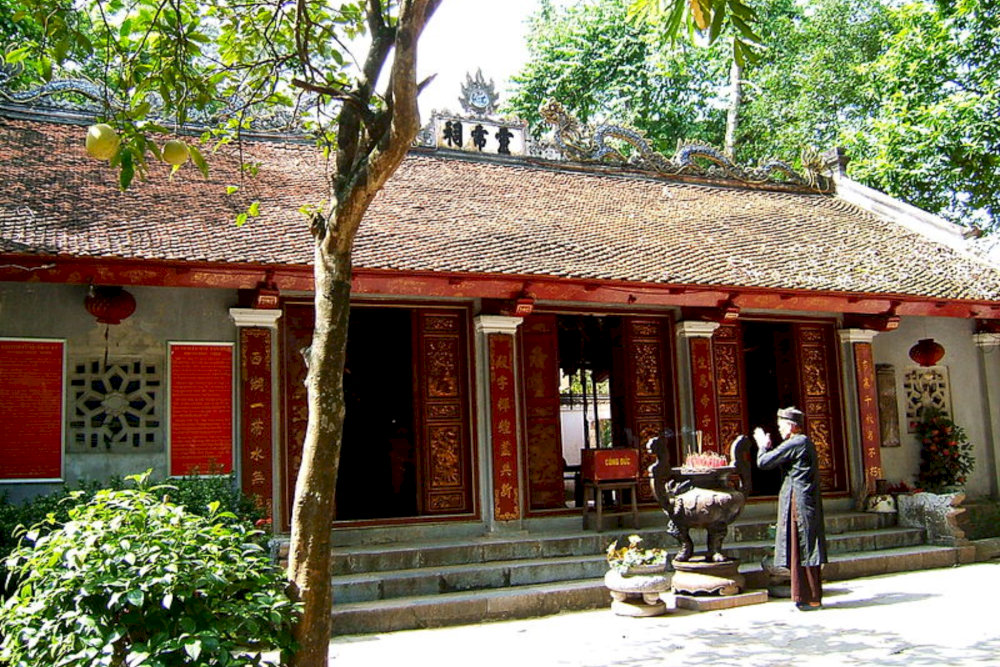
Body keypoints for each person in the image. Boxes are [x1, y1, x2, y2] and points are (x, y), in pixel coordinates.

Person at [754, 407, 827, 610]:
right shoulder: (803, 442)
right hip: (802, 500)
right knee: (801, 547)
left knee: (804, 547)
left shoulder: (797, 442)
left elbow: (764, 462)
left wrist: (762, 446)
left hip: (799, 503)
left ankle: (810, 597)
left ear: (791, 425)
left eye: (781, 425)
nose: (779, 429)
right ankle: (803, 596)